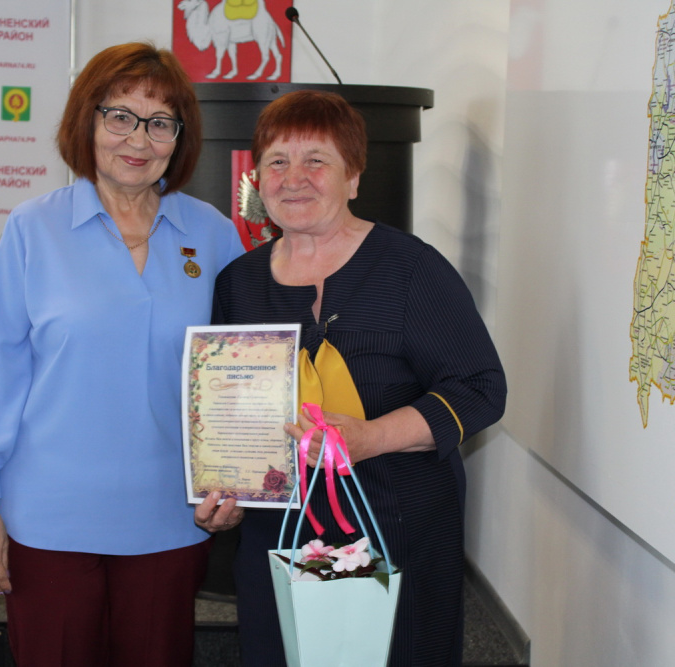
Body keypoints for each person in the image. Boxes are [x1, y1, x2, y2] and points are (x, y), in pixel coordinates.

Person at [0, 42, 245, 667]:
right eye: (120, 116)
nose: (139, 139)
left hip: (171, 515)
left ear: (180, 138)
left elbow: (239, 374)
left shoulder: (214, 234)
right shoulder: (33, 228)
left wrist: (242, 477)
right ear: (87, 121)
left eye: (160, 122)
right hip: (49, 515)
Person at [194, 90, 507, 666]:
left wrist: (370, 437)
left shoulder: (412, 269)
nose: (294, 178)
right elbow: (228, 414)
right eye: (277, 162)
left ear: (354, 177)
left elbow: (480, 388)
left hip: (401, 524)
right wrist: (228, 494)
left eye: (316, 160)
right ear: (257, 179)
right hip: (280, 534)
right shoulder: (236, 284)